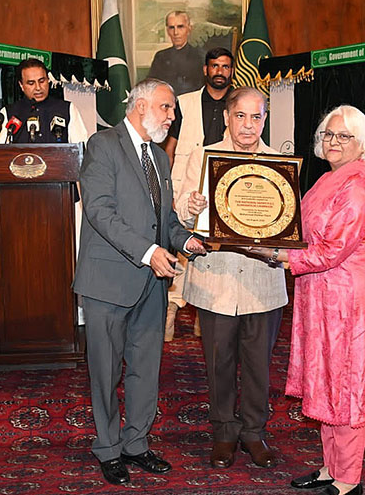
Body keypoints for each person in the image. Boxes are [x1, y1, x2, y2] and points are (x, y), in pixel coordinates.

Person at [246, 105, 365, 495]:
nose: (333, 142)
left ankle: (348, 480)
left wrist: (273, 255)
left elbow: (330, 250)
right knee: (329, 385)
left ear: (361, 144)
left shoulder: (359, 184)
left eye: (343, 136)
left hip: (348, 304)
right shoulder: (329, 179)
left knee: (347, 388)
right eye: (328, 135)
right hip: (321, 296)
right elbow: (298, 230)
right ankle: (330, 469)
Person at [73, 78, 206, 486]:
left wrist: (186, 239)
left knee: (146, 369)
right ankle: (109, 449)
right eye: (166, 108)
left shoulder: (160, 158)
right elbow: (100, 211)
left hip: (151, 283)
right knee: (106, 370)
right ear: (142, 104)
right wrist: (149, 252)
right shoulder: (103, 145)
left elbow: (162, 221)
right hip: (108, 282)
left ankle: (136, 443)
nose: (171, 117)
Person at [177, 86, 287, 469]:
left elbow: (288, 221)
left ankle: (254, 433)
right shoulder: (203, 156)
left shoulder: (281, 166)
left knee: (258, 364)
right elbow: (181, 213)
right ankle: (224, 431)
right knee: (219, 361)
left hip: (263, 280)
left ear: (265, 120)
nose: (248, 125)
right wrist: (190, 206)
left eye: (256, 117)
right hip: (216, 279)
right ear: (226, 117)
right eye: (240, 116)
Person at [163, 47, 234, 341]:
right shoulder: (185, 103)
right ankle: (170, 313)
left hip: (225, 185)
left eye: (226, 67)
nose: (220, 71)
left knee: (215, 248)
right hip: (186, 184)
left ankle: (203, 317)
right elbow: (169, 146)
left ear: (231, 71)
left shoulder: (238, 103)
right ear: (205, 70)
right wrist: (166, 186)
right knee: (181, 247)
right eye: (215, 66)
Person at [0, 58, 88, 144]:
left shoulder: (67, 109)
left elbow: (80, 148)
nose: (38, 88)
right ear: (21, 85)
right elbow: (0, 153)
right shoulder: (8, 113)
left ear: (48, 80)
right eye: (31, 83)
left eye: (42, 81)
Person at [147, 11, 204, 96]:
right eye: (171, 28)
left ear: (189, 29)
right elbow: (151, 86)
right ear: (167, 31)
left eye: (180, 27)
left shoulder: (201, 56)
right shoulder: (160, 57)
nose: (176, 33)